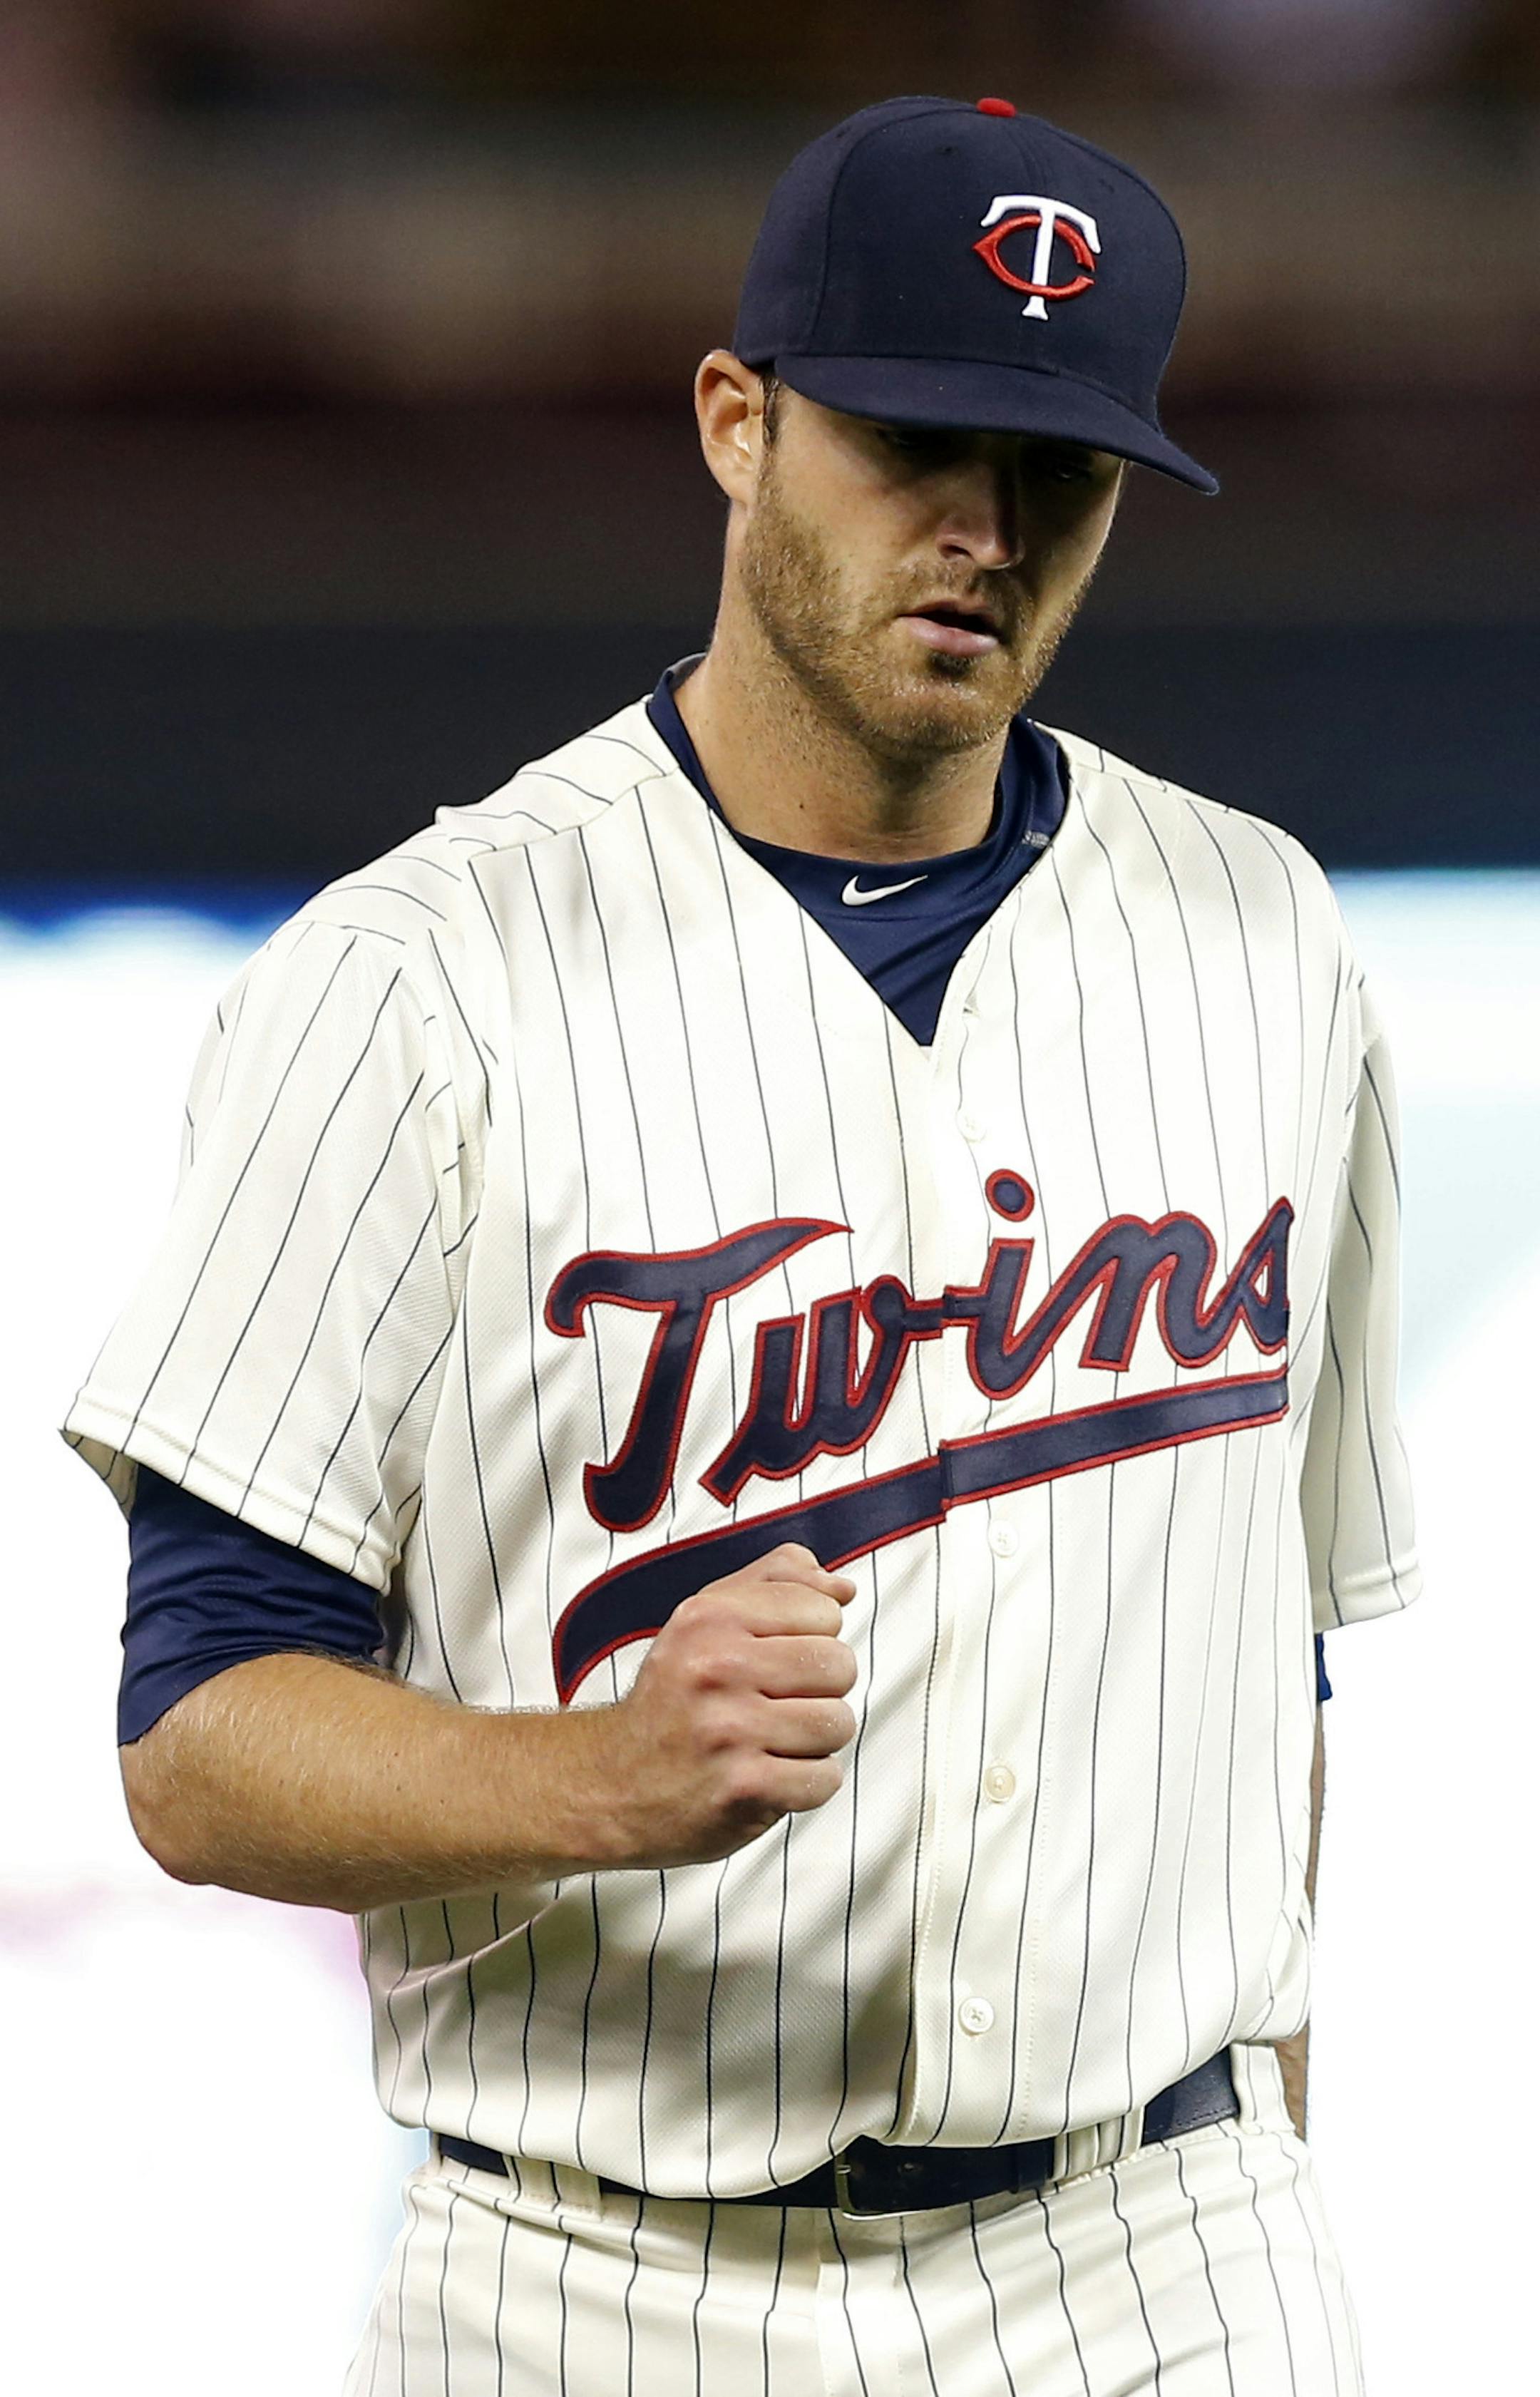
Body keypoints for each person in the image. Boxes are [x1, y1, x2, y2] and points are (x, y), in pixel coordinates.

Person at [63, 94, 1420, 2396]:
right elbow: (197, 1738)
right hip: (600, 2277)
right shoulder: (416, 982)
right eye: (915, 439)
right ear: (737, 420)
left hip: (1167, 2257)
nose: (983, 532)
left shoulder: (1262, 938)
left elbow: (1266, 1649)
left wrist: (1266, 2156)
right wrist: (597, 1773)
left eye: (1060, 472)